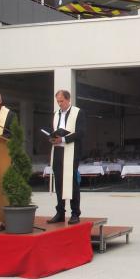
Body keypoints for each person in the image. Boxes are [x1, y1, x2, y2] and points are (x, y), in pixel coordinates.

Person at [47, 90, 85, 225]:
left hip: (72, 151)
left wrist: (63, 139)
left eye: (61, 101)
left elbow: (80, 133)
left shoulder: (77, 112)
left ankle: (75, 213)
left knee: (72, 183)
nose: (59, 104)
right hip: (57, 151)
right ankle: (60, 212)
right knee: (59, 183)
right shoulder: (56, 114)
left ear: (68, 100)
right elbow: (52, 130)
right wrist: (51, 138)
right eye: (58, 101)